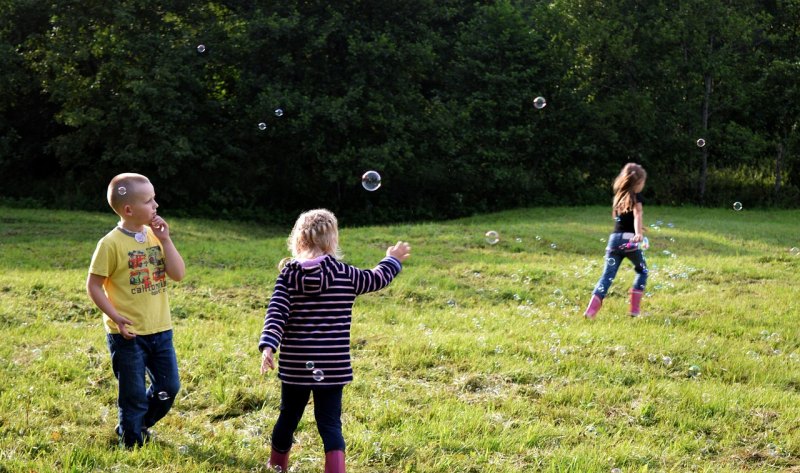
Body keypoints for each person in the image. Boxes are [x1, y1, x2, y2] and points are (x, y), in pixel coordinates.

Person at [259, 209, 411, 473]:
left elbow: (276, 312)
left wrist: (269, 345)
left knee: (288, 417)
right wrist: (392, 260)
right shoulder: (346, 274)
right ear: (332, 242)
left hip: (296, 365)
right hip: (333, 365)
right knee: (330, 424)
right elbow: (376, 278)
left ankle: (276, 466)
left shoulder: (288, 276)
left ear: (297, 241)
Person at [86, 172, 186, 448]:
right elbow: (93, 286)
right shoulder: (110, 244)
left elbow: (177, 274)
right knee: (132, 394)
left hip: (160, 329)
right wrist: (115, 317)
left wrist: (166, 240)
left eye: (154, 199)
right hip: (127, 333)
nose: (156, 205)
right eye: (149, 201)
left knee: (170, 387)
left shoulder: (156, 237)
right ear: (129, 209)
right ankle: (131, 444)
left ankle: (138, 424)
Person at [584, 163, 648, 319]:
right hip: (629, 241)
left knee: (607, 276)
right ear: (638, 183)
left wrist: (638, 228)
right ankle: (634, 309)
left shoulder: (619, 195)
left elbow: (622, 219)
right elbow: (637, 214)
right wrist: (638, 233)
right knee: (642, 271)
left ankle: (590, 311)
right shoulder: (636, 196)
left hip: (614, 240)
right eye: (643, 182)